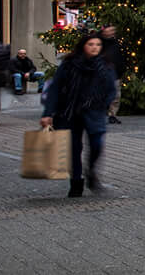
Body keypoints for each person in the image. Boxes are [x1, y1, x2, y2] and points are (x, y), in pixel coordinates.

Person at [41, 30, 119, 197]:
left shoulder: (105, 65)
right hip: (70, 112)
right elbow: (55, 88)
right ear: (83, 46)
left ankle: (91, 171)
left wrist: (102, 104)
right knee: (74, 149)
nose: (94, 48)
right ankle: (76, 182)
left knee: (97, 144)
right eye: (90, 44)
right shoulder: (69, 64)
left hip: (94, 112)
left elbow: (111, 90)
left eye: (98, 44)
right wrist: (48, 113)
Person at [97, 23, 127, 123]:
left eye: (113, 31)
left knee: (116, 96)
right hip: (101, 73)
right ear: (104, 31)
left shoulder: (116, 42)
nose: (112, 33)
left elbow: (121, 56)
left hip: (116, 73)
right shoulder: (98, 42)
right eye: (110, 30)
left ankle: (112, 115)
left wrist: (122, 69)